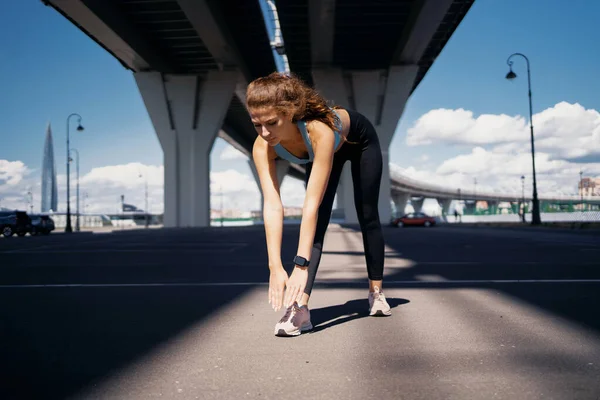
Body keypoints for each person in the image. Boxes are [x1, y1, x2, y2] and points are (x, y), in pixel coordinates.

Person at [247, 72, 391, 337]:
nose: (265, 133)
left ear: (290, 113)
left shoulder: (318, 131)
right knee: (320, 223)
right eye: (257, 124)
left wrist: (300, 265)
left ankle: (376, 292)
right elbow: (272, 205)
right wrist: (275, 267)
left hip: (360, 141)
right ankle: (300, 310)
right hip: (325, 149)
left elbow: (309, 206)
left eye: (271, 123)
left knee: (366, 214)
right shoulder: (261, 146)